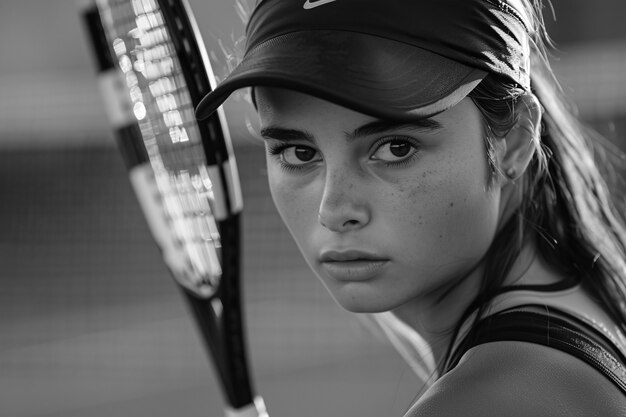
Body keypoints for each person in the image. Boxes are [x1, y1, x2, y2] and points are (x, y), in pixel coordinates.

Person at [196, 0, 626, 414]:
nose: (334, 210)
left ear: (514, 140)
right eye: (298, 153)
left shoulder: (489, 401)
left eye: (396, 147)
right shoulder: (582, 314)